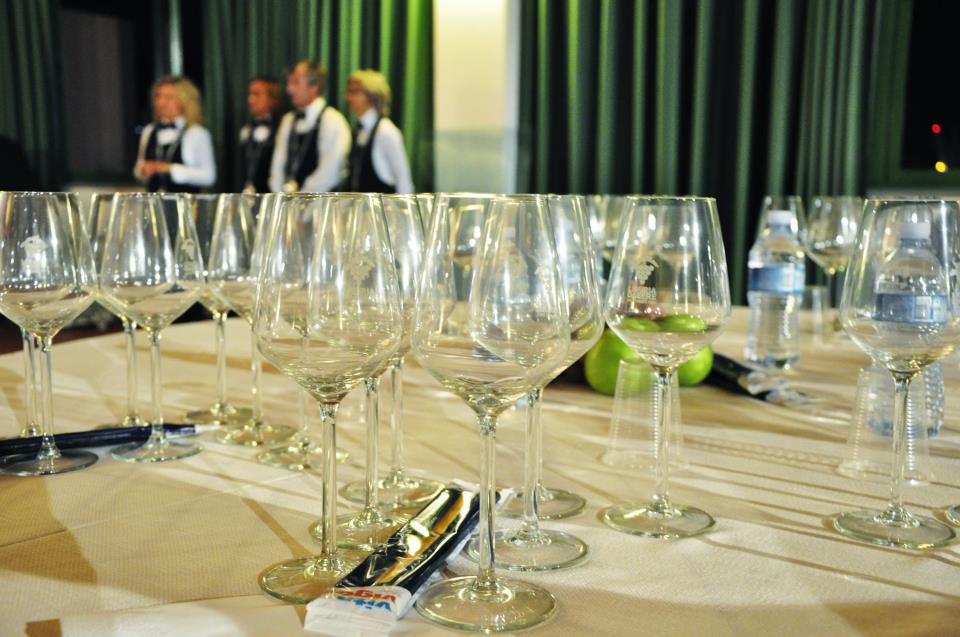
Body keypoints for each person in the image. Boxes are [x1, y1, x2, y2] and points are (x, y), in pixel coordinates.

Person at [268, 60, 350, 193]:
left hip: (321, 203)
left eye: (295, 82)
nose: (289, 89)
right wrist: (281, 198)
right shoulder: (288, 120)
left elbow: (330, 173)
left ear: (314, 86)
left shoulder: (332, 121)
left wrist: (301, 199)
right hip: (287, 203)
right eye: (289, 83)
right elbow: (277, 167)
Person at [133, 76, 216, 193]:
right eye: (158, 96)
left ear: (184, 101)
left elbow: (209, 177)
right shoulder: (149, 130)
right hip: (154, 201)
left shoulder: (197, 133)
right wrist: (143, 170)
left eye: (169, 97)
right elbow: (138, 170)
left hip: (185, 202)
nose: (161, 103)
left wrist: (169, 169)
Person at [342, 69, 414, 194]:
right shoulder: (359, 130)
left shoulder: (386, 131)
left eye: (354, 91)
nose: (347, 97)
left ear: (371, 95)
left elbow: (403, 179)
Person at [238, 76, 282, 193]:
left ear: (272, 98)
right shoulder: (246, 129)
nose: (250, 99)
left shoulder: (281, 128)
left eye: (257, 94)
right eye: (250, 94)